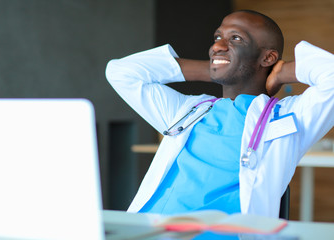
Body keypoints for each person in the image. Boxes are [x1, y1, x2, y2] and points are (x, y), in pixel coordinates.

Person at [105, 10, 334, 218]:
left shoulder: (288, 116)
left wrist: (282, 72)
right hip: (148, 228)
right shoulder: (186, 110)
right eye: (217, 37)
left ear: (267, 58)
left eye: (235, 38)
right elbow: (121, 72)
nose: (217, 46)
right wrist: (214, 69)